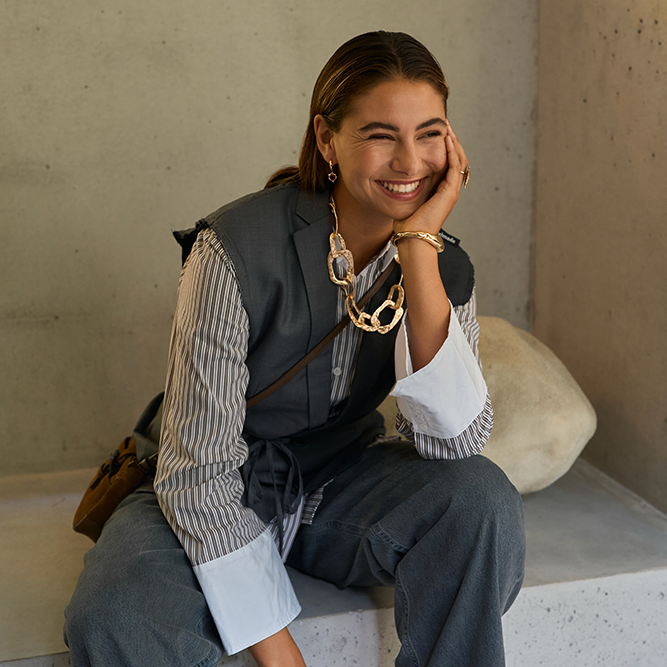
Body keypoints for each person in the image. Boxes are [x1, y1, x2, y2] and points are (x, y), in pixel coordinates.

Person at [64, 30, 525, 667]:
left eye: (430, 134)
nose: (410, 162)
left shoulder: (442, 262)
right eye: (381, 135)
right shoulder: (231, 248)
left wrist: (419, 247)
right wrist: (282, 655)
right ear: (326, 138)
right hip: (205, 484)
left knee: (481, 499)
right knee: (117, 615)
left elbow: (453, 445)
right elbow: (197, 475)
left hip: (335, 484)